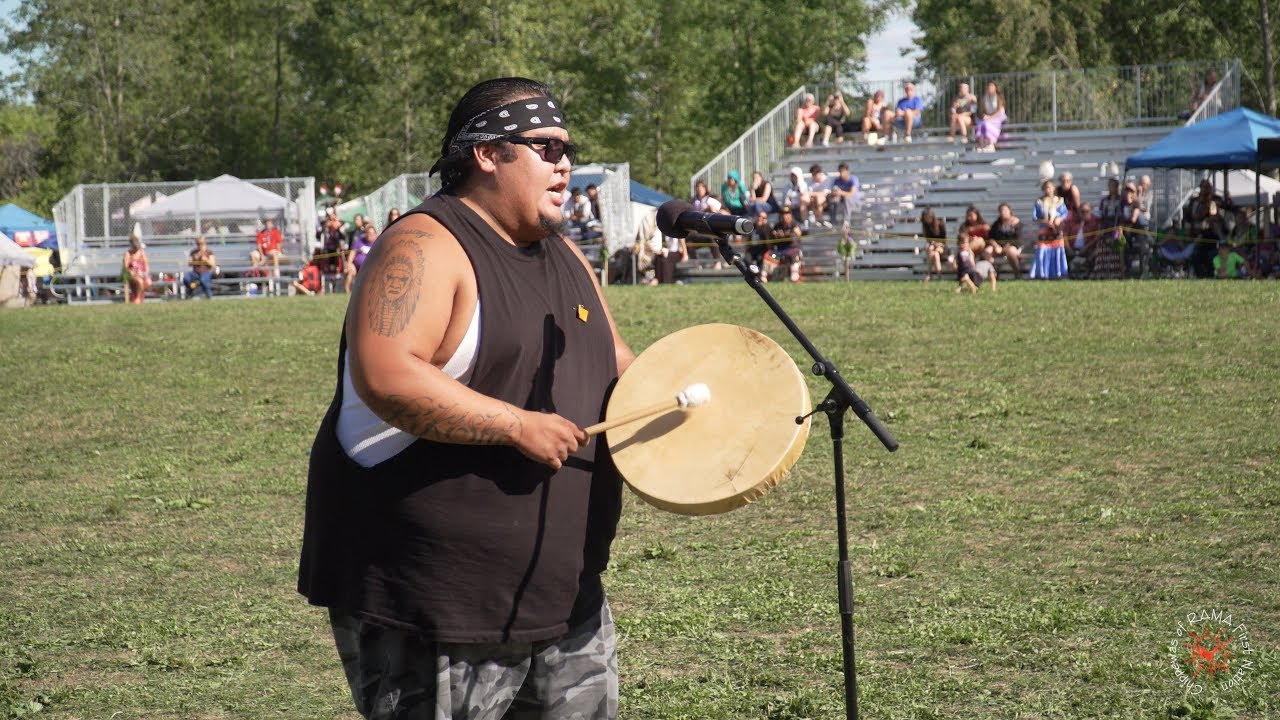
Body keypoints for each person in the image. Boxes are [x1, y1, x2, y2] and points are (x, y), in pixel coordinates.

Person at [298, 77, 635, 720]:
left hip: (565, 594)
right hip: (437, 607)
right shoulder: (424, 245)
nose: (566, 163)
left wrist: (703, 389)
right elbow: (388, 374)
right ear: (487, 153)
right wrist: (515, 426)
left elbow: (616, 365)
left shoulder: (566, 256)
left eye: (569, 148)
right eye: (544, 146)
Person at [1030, 181, 1068, 279]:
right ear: (1043, 189)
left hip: (1056, 229)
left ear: (1054, 188)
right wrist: (1044, 221)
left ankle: (1058, 273)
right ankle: (1042, 273)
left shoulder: (1059, 201)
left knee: (1057, 250)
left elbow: (1065, 213)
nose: (1048, 190)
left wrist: (1059, 219)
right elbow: (1035, 216)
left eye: (1050, 187)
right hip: (1044, 230)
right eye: (1046, 188)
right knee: (1042, 250)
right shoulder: (1039, 202)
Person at [763, 206, 804, 282]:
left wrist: (785, 234)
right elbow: (772, 237)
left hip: (792, 249)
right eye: (783, 214)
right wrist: (773, 234)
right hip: (780, 251)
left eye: (787, 214)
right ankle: (764, 277)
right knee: (768, 255)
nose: (786, 216)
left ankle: (795, 276)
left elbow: (799, 233)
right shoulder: (778, 226)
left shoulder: (794, 224)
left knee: (794, 254)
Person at [986, 203, 1024, 279]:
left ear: (1010, 211)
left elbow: (1018, 239)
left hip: (1012, 246)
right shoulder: (997, 224)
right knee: (987, 251)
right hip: (998, 247)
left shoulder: (1016, 223)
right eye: (1001, 211)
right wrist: (995, 245)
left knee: (1011, 252)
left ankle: (1017, 273)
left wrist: (1007, 245)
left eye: (1005, 210)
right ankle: (994, 274)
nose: (1003, 212)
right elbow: (990, 237)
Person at [345, 222, 378, 293]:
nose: (370, 235)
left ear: (375, 234)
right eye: (368, 233)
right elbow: (352, 253)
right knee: (350, 271)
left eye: (372, 233)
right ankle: (347, 291)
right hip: (356, 266)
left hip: (371, 267)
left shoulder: (378, 243)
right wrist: (349, 264)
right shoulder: (359, 241)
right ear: (365, 234)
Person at [975, 82, 1007, 152]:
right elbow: (982, 110)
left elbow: (1000, 111)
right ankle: (981, 144)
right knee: (981, 124)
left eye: (991, 86)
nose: (989, 88)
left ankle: (991, 145)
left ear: (995, 88)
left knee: (988, 124)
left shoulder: (999, 98)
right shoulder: (984, 98)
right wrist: (984, 116)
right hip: (988, 117)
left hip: (998, 117)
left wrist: (990, 117)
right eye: (988, 86)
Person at [122, 233, 150, 304]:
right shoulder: (128, 254)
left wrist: (145, 273)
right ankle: (137, 299)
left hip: (141, 274)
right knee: (139, 281)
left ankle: (135, 296)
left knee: (148, 282)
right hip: (130, 274)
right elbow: (125, 268)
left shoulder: (141, 253)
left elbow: (146, 265)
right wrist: (131, 272)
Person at [921, 208, 948, 281]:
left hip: (942, 247)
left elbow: (945, 240)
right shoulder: (926, 226)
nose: (927, 220)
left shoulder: (940, 224)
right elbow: (928, 240)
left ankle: (929, 274)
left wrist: (938, 244)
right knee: (934, 254)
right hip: (932, 247)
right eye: (925, 218)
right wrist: (933, 244)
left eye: (928, 217)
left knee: (932, 251)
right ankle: (939, 276)